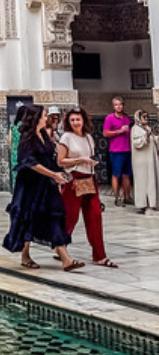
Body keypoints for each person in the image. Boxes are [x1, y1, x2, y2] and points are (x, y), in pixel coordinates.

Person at [3, 105, 83, 272]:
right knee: (28, 217)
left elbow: (49, 158)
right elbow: (29, 162)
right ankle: (25, 256)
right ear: (37, 118)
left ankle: (66, 260)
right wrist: (53, 175)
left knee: (54, 216)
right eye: (44, 115)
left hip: (46, 184)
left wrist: (59, 173)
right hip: (30, 185)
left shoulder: (44, 135)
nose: (47, 118)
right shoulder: (27, 138)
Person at [56, 107, 116, 267]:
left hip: (89, 179)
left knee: (95, 216)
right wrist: (79, 160)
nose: (76, 123)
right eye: (72, 120)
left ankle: (100, 255)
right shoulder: (66, 138)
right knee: (70, 217)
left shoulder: (88, 137)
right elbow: (60, 161)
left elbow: (89, 157)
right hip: (73, 180)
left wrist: (89, 162)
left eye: (78, 119)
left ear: (83, 120)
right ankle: (60, 247)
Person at [103, 96, 133, 206]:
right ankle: (117, 198)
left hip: (128, 150)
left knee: (127, 175)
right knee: (116, 174)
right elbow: (105, 133)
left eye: (120, 104)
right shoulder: (109, 118)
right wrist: (119, 131)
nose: (118, 106)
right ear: (113, 106)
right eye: (116, 105)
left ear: (123, 105)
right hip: (116, 151)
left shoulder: (127, 118)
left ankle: (127, 197)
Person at [131, 110, 159, 213]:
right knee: (144, 181)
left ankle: (152, 203)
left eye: (147, 117)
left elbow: (153, 140)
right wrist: (146, 137)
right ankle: (144, 204)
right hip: (141, 161)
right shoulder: (135, 129)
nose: (146, 119)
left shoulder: (147, 128)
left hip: (150, 160)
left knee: (151, 180)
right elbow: (137, 143)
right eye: (144, 117)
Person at [8, 103, 28, 191]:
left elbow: (10, 142)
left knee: (16, 174)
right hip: (25, 153)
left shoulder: (13, 126)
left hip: (15, 153)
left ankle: (16, 192)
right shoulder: (27, 126)